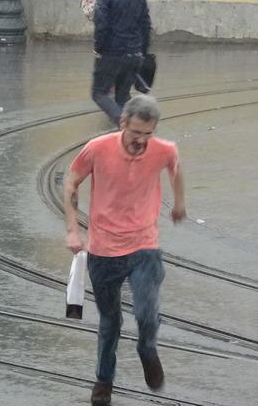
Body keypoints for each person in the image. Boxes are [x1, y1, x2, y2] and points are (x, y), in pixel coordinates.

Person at [62, 95, 186, 406]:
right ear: (122, 124)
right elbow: (71, 183)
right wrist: (73, 231)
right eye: (136, 133)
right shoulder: (98, 148)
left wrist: (180, 202)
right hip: (104, 250)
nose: (142, 141)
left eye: (148, 134)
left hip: (144, 246)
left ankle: (147, 348)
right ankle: (104, 381)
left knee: (146, 312)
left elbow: (174, 166)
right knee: (110, 321)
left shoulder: (163, 149)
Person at [92, 0, 152, 126]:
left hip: (112, 53)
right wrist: (143, 51)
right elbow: (146, 25)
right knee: (122, 96)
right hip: (135, 53)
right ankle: (139, 125)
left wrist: (99, 48)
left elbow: (101, 25)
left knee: (99, 93)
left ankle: (124, 123)